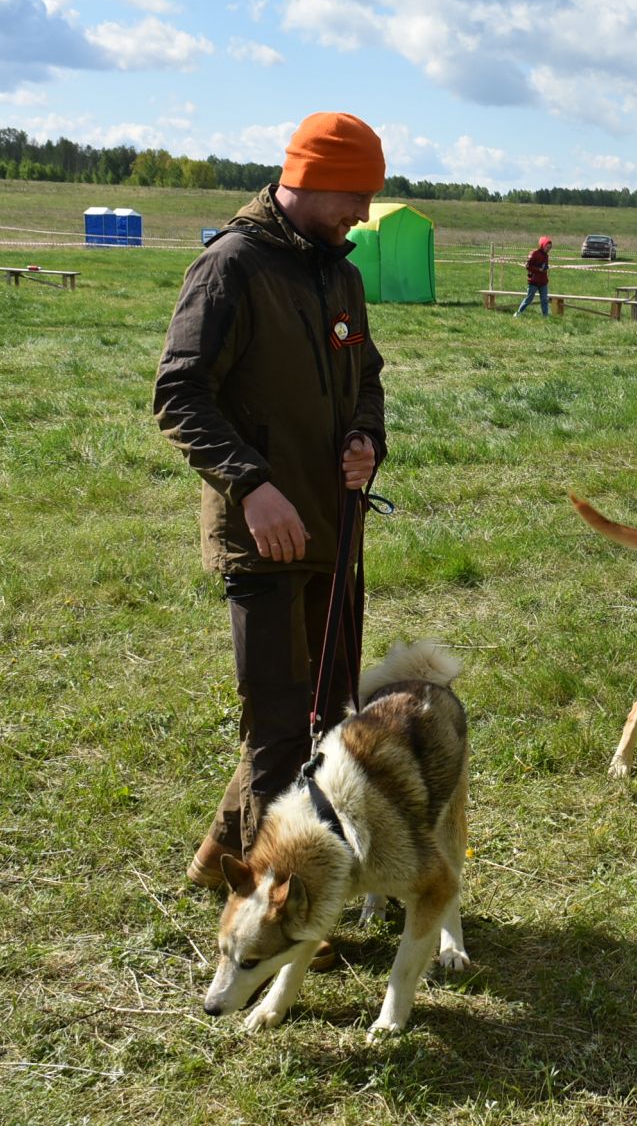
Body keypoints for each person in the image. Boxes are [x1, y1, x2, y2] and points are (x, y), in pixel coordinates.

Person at [154, 111, 389, 892]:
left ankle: (221, 859)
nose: (364, 212)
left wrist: (364, 439)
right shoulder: (231, 266)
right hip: (263, 536)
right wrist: (250, 485)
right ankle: (283, 901)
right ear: (311, 177)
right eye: (357, 194)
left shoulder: (340, 272)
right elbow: (179, 392)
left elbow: (368, 380)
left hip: (333, 528)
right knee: (283, 726)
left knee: (322, 713)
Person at [516, 235, 552, 317]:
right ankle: (518, 313)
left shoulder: (546, 256)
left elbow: (544, 266)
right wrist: (538, 269)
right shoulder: (534, 253)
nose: (548, 249)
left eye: (550, 248)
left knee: (544, 300)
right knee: (528, 299)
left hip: (543, 282)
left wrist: (545, 268)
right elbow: (528, 266)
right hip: (533, 281)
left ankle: (545, 316)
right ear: (543, 245)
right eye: (547, 247)